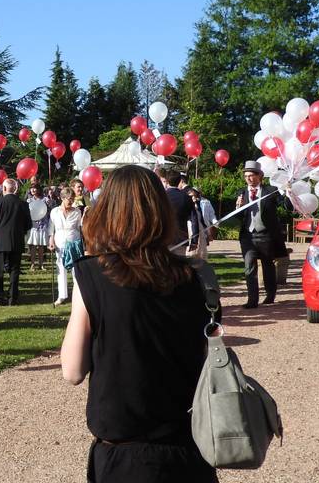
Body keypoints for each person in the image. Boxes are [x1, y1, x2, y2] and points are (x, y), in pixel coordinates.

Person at [61, 164, 216, 482]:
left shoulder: (92, 274)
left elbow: (72, 370)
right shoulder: (196, 275)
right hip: (191, 447)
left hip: (125, 454)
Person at [235, 160, 287, 308]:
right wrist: (238, 207)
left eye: (251, 175)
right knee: (249, 266)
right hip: (247, 235)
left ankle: (270, 294)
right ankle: (252, 300)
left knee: (268, 267)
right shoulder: (241, 192)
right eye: (246, 176)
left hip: (265, 235)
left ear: (260, 176)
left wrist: (288, 192)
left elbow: (286, 205)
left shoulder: (270, 191)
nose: (248, 179)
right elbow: (239, 217)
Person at [0, 178, 32, 305]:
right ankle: (13, 298)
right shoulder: (23, 204)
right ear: (16, 189)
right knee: (14, 270)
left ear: (4, 189)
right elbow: (28, 224)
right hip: (16, 240)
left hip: (0, 241)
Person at [48, 188, 83, 305]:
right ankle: (62, 296)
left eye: (73, 199)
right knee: (60, 268)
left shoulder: (77, 212)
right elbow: (51, 228)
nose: (71, 201)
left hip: (74, 243)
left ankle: (78, 295)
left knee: (75, 269)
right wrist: (51, 240)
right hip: (59, 243)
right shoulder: (54, 211)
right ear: (62, 198)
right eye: (69, 199)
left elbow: (80, 227)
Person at [164, 170, 193, 249]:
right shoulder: (186, 197)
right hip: (182, 237)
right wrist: (194, 240)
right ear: (180, 181)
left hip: (164, 237)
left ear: (166, 181)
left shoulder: (161, 196)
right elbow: (193, 218)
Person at [26, 185, 50, 271]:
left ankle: (41, 264)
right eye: (31, 188)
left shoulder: (45, 199)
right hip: (33, 225)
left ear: (38, 189)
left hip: (43, 225)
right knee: (33, 246)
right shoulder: (29, 201)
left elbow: (51, 206)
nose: (32, 189)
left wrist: (50, 200)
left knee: (41, 246)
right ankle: (32, 264)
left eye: (34, 188)